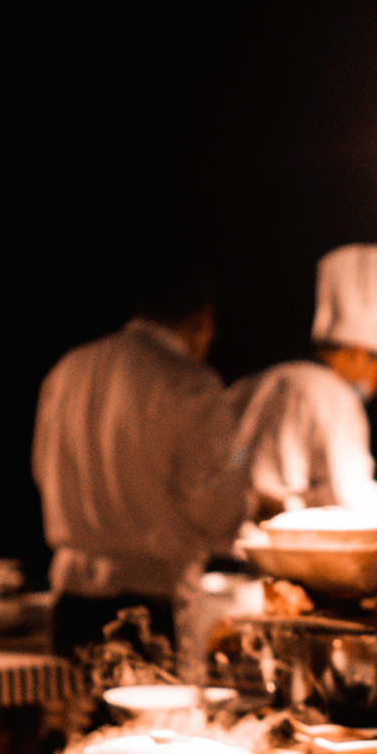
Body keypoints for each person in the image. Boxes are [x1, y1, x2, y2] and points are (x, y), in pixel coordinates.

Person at [32, 281, 246, 658]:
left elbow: (41, 470)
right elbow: (213, 504)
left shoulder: (68, 368)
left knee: (73, 713)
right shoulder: (190, 381)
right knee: (151, 718)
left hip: (71, 598)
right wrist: (244, 495)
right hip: (151, 598)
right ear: (202, 321)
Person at [228, 243, 377, 520]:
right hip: (277, 548)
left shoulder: (254, 382)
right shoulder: (335, 396)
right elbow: (353, 489)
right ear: (358, 354)